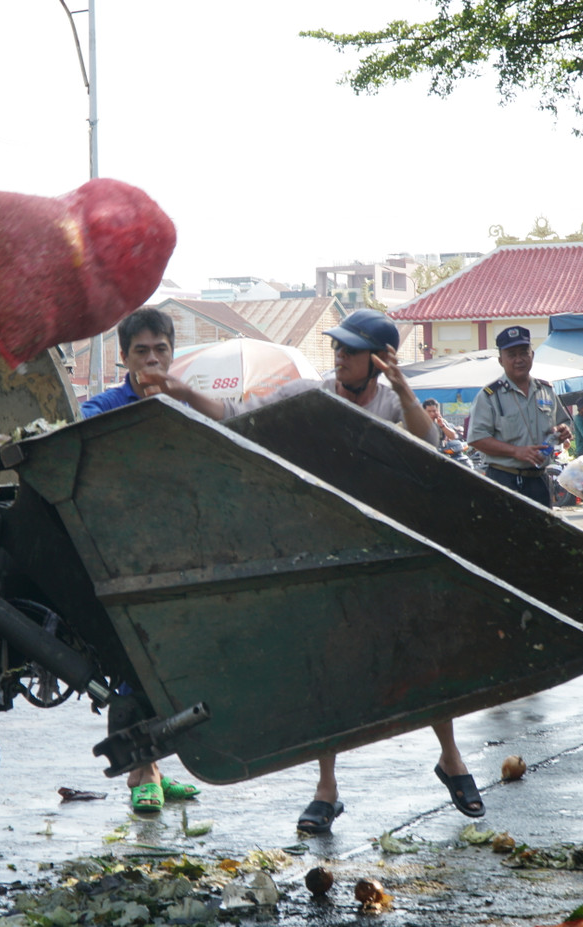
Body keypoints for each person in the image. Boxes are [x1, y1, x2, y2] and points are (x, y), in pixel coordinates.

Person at [138, 309, 486, 831]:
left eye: (350, 351)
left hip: (386, 545)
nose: (339, 357)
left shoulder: (393, 400)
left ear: (379, 360)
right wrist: (185, 394)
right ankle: (326, 789)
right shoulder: (312, 393)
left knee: (422, 652)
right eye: (338, 348)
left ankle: (451, 759)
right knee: (324, 669)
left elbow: (427, 446)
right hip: (323, 542)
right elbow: (233, 410)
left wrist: (406, 389)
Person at [77, 308, 202, 812]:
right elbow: (75, 437)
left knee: (169, 662)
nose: (153, 360)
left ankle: (155, 765)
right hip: (122, 556)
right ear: (124, 357)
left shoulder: (186, 403)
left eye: (161, 350)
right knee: (135, 661)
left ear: (173, 352)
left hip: (179, 550)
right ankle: (141, 772)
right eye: (142, 351)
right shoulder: (105, 407)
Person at [466, 326, 572, 506]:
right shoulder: (490, 396)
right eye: (512, 354)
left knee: (541, 533)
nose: (519, 360)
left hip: (539, 481)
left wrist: (562, 432)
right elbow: (477, 438)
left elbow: (562, 424)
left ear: (532, 355)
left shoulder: (546, 391)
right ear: (501, 360)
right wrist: (516, 451)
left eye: (523, 353)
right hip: (504, 480)